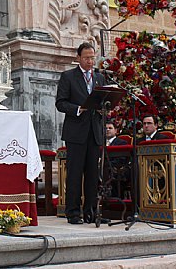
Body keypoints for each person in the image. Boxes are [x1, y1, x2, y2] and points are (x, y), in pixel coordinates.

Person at [56, 42, 106, 224]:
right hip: (76, 132)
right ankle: (73, 213)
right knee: (75, 174)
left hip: (94, 132)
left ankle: (91, 212)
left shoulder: (99, 78)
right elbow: (60, 103)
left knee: (93, 175)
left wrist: (103, 109)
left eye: (92, 58)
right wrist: (78, 109)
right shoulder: (68, 76)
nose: (90, 61)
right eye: (86, 58)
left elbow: (104, 100)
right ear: (78, 58)